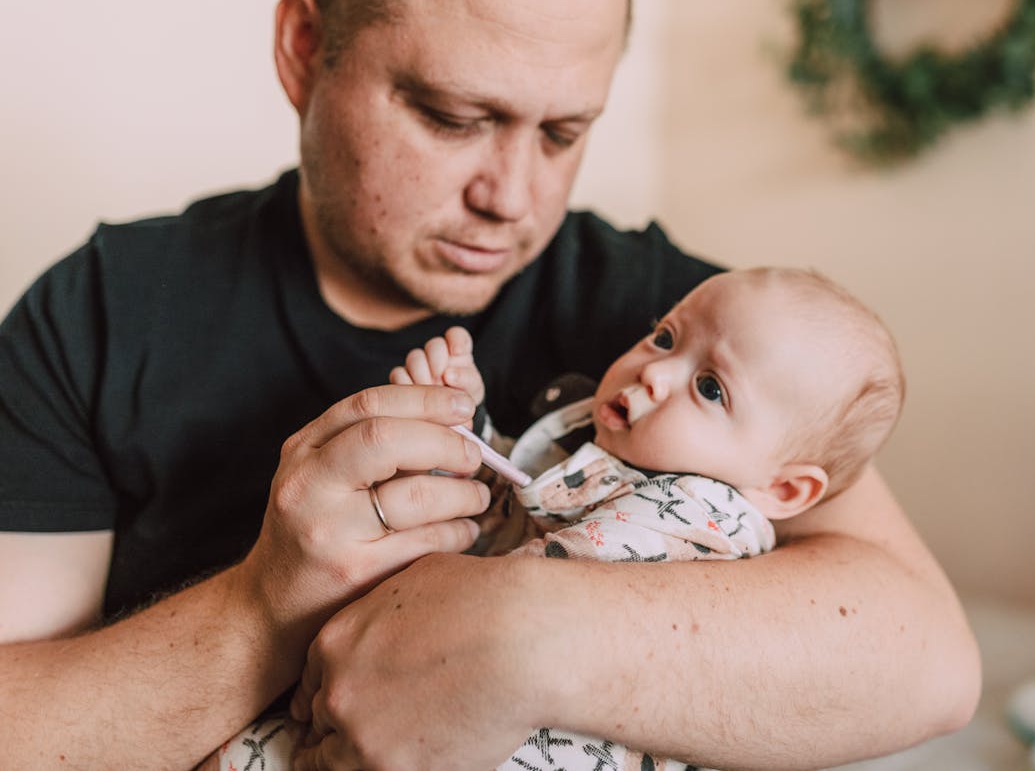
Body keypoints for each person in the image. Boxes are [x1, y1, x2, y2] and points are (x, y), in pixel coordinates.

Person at [0, 0, 980, 768]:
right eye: (451, 117)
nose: (511, 198)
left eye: (562, 133)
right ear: (306, 46)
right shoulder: (101, 313)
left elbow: (924, 657)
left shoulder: (671, 321)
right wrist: (260, 609)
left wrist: (522, 634)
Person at [213, 266, 907, 770]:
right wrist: (463, 422)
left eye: (709, 387)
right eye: (665, 336)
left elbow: (528, 549)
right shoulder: (599, 447)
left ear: (784, 489)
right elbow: (518, 494)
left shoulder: (700, 514)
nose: (653, 372)